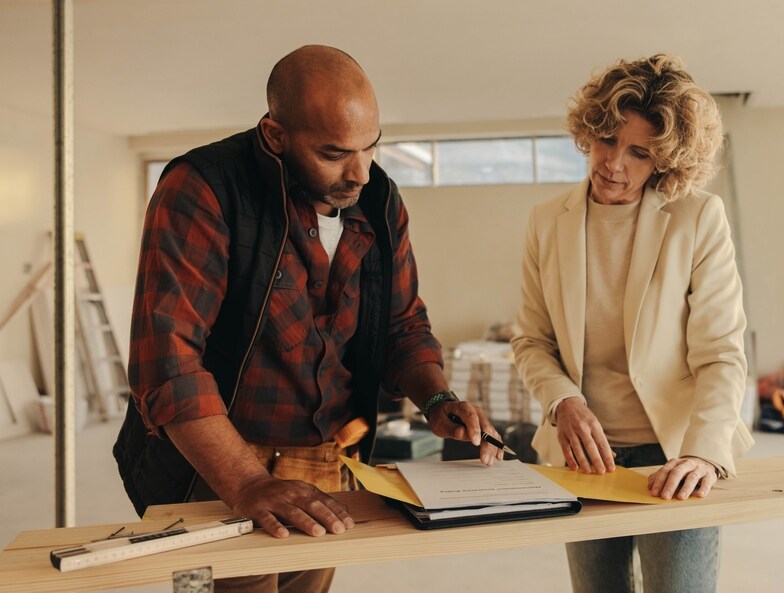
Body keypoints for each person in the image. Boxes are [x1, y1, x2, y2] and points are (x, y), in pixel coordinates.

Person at [113, 45, 502, 593]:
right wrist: (248, 482)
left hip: (326, 460)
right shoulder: (202, 188)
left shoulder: (380, 201)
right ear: (275, 136)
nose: (360, 173)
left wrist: (437, 399)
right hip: (217, 462)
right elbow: (167, 360)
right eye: (334, 152)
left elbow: (402, 325)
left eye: (372, 147)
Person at [511, 54, 754, 593]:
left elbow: (720, 353)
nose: (613, 163)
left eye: (638, 152)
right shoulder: (546, 220)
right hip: (581, 458)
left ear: (665, 161)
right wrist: (562, 402)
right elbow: (531, 340)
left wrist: (702, 453)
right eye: (606, 140)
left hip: (673, 454)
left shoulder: (699, 218)